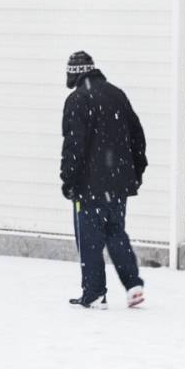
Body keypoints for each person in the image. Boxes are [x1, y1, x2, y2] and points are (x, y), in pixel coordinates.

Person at [60, 50, 147, 309]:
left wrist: (69, 180)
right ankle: (133, 285)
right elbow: (137, 137)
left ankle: (95, 293)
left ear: (73, 73)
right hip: (118, 184)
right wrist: (135, 174)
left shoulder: (77, 99)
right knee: (115, 233)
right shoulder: (116, 94)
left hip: (89, 185)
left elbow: (73, 145)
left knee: (89, 240)